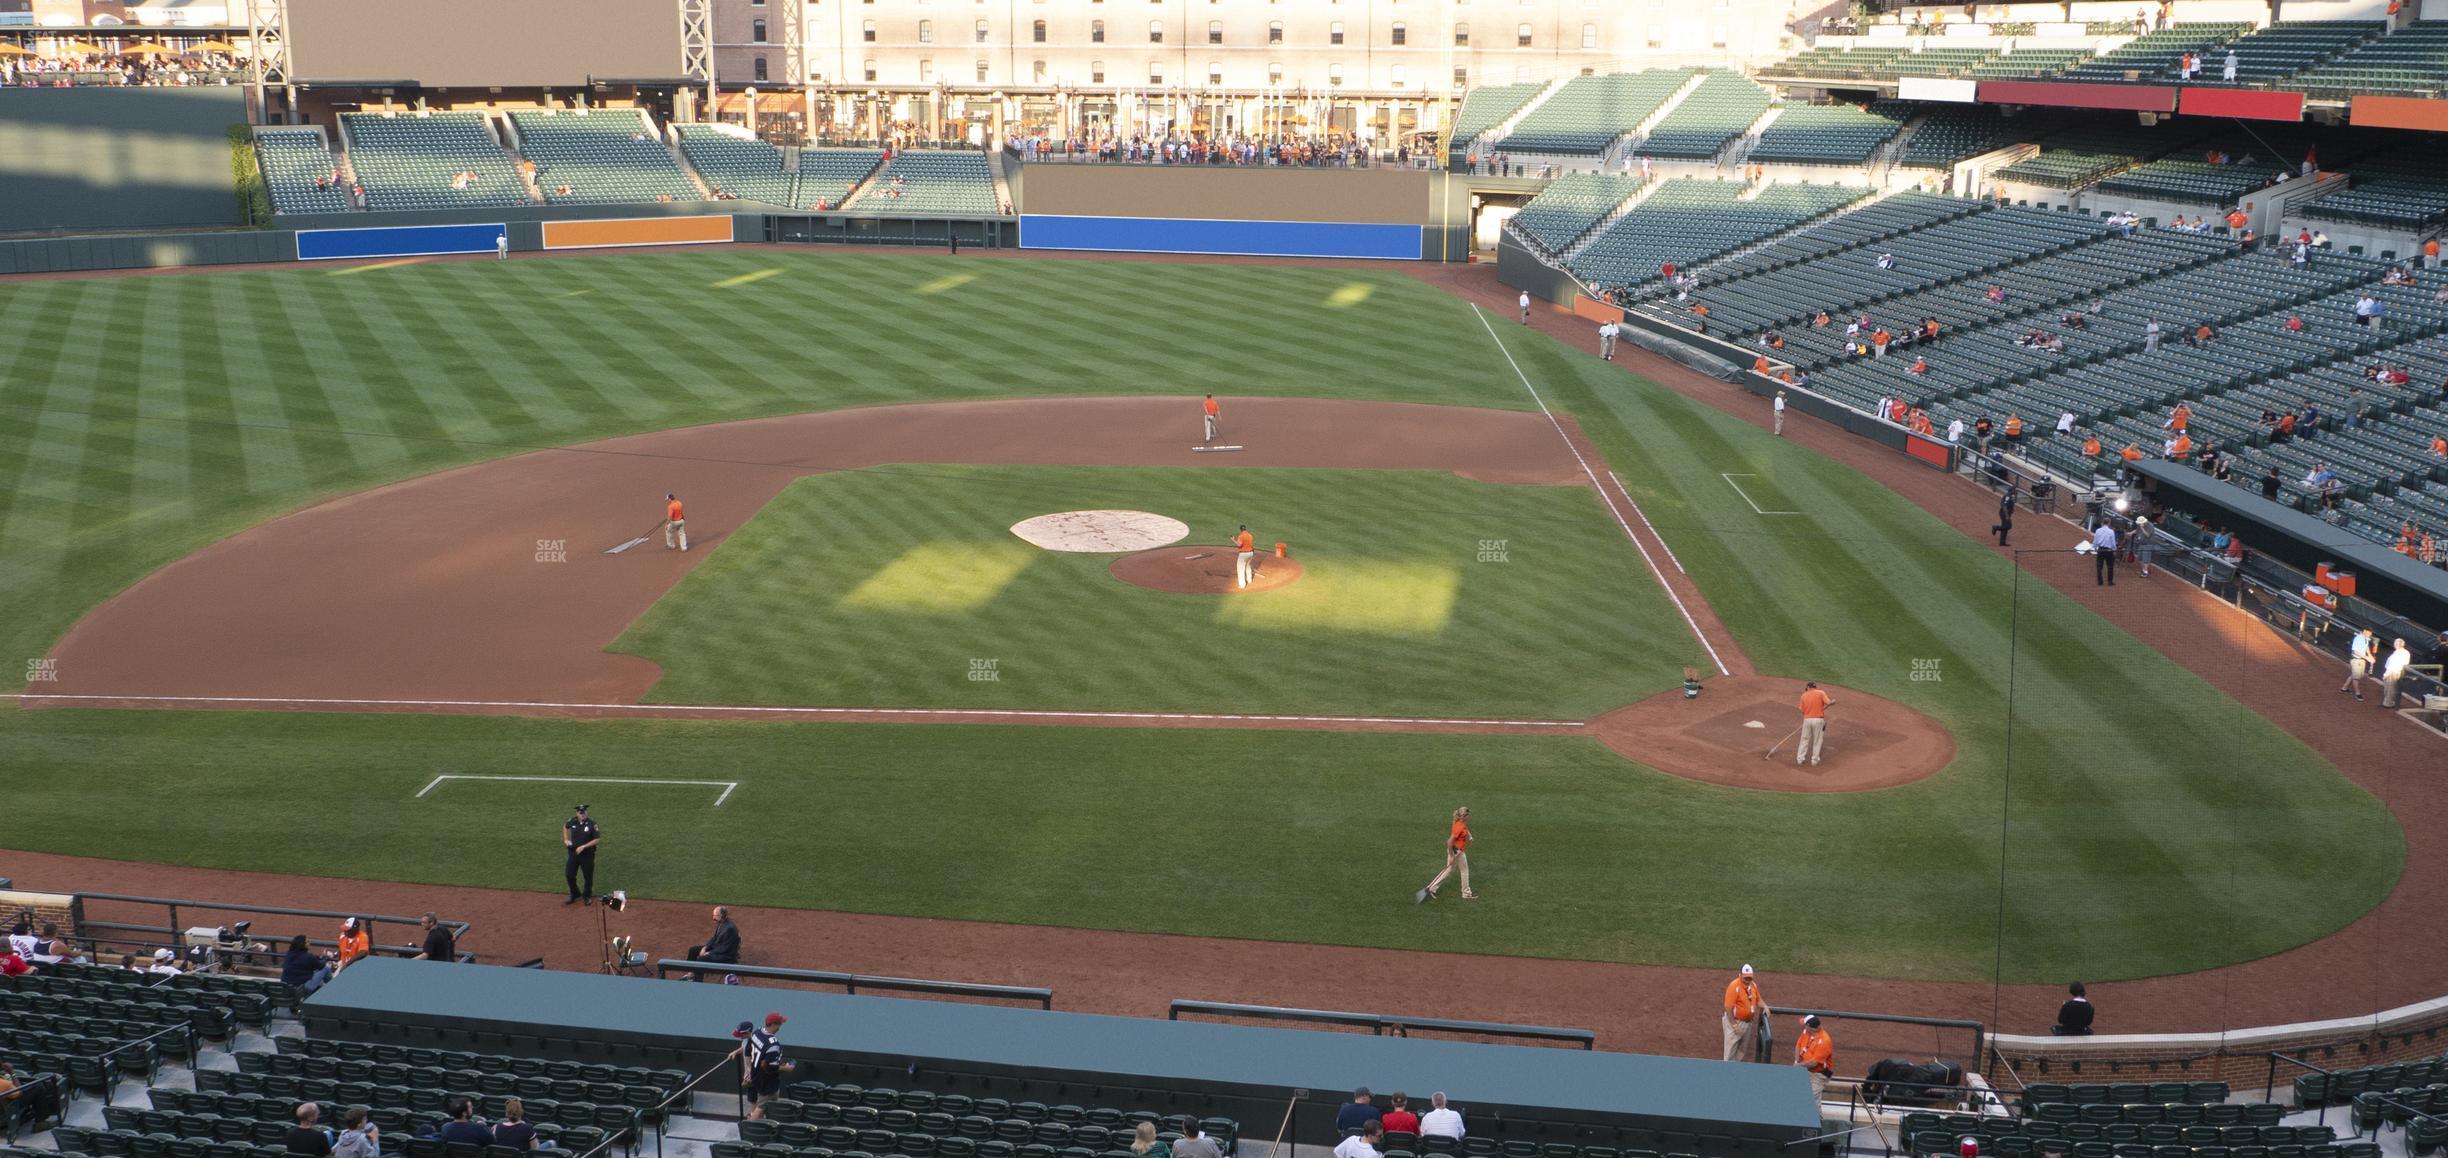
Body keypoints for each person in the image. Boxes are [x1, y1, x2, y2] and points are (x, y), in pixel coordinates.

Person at [729, 1012, 794, 1105]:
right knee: (756, 1104)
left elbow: (748, 1052)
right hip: (757, 1077)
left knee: (756, 1102)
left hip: (755, 1075)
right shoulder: (757, 1038)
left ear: (748, 1032)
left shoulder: (755, 1036)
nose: (740, 1037)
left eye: (741, 1035)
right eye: (779, 1024)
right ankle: (753, 1117)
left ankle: (753, 1116)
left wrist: (750, 1071)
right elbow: (747, 1050)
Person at [1416, 807, 1475, 902]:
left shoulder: (1460, 823)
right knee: (1464, 871)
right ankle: (1466, 893)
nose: (1470, 817)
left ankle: (1431, 888)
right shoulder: (1459, 827)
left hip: (1457, 850)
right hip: (1456, 852)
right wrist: (1452, 856)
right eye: (1468, 815)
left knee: (1448, 870)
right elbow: (1449, 841)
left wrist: (1469, 836)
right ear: (1464, 816)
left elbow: (1464, 830)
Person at [1723, 963, 1768, 1061]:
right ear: (1740, 975)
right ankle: (1726, 1072)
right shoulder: (1734, 986)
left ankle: (1736, 1071)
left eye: (1749, 978)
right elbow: (1728, 1007)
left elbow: (1758, 1000)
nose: (1747, 980)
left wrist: (1765, 1006)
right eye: (1745, 978)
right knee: (1730, 1052)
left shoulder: (1753, 985)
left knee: (1741, 1051)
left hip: (1748, 1023)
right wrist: (1734, 1025)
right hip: (1735, 1022)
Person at [564, 804, 601, 905]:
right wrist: (566, 839)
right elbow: (565, 826)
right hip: (573, 854)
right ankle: (574, 893)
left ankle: (587, 895)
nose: (583, 814)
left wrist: (584, 846)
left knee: (588, 877)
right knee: (569, 874)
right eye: (581, 813)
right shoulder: (573, 820)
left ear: (586, 812)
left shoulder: (592, 824)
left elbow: (597, 840)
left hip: (587, 855)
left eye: (584, 812)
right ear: (577, 813)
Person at [687, 906, 741, 975]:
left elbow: (725, 948)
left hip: (725, 955)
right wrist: (705, 947)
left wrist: (710, 953)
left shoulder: (730, 928)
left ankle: (698, 982)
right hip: (717, 948)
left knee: (701, 959)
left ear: (721, 915)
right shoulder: (722, 922)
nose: (713, 918)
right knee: (693, 950)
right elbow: (714, 938)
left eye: (715, 916)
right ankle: (690, 974)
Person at [1794, 1015, 1835, 1104]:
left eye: (1805, 1024)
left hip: (1818, 1075)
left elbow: (1814, 1063)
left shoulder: (1824, 1041)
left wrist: (1799, 1065)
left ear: (1811, 1028)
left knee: (1810, 1101)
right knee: (1798, 1095)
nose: (1803, 1026)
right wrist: (1797, 1061)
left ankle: (1816, 1118)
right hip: (1804, 1069)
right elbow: (1798, 1044)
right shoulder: (1806, 1032)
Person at [1796, 682, 1832, 767]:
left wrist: (1809, 714)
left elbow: (1802, 711)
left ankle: (1800, 759)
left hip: (1807, 720)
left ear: (1808, 687)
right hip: (1818, 720)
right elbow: (1828, 702)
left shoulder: (1803, 695)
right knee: (1817, 740)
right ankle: (1814, 761)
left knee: (1804, 740)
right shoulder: (1821, 693)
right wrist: (1832, 702)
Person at [2341, 627, 2377, 702]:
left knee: (2355, 675)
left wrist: (2370, 656)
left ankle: (2344, 688)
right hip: (2356, 660)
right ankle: (2358, 693)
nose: (2369, 635)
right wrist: (2367, 658)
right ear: (2364, 631)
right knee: (2356, 678)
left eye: (2370, 633)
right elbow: (2355, 652)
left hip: (2361, 660)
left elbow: (2366, 648)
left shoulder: (2366, 639)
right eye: (2368, 633)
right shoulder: (2358, 638)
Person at [2381, 638, 2414, 708]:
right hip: (2398, 671)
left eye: (2395, 643)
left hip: (2392, 672)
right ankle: (2390, 702)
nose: (2394, 644)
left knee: (2389, 688)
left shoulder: (2398, 653)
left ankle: (2388, 703)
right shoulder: (2405, 652)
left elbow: (2392, 665)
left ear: (2397, 644)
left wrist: (2386, 674)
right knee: (2393, 688)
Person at [2092, 520, 2119, 586]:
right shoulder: (2111, 531)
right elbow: (2113, 542)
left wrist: (2094, 547)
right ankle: (2110, 582)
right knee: (2110, 566)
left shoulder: (2098, 530)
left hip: (2100, 550)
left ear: (2102, 523)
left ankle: (2100, 582)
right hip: (2108, 551)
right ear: (2109, 523)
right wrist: (2114, 550)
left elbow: (2095, 540)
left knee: (2099, 566)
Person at [1233, 524, 1257, 589]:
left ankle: (1242, 585)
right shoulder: (1250, 535)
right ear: (1245, 529)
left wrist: (1233, 540)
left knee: (1240, 569)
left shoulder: (1241, 536)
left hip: (1243, 554)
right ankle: (1249, 580)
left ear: (1240, 530)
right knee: (1248, 566)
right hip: (1251, 553)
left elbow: (1239, 545)